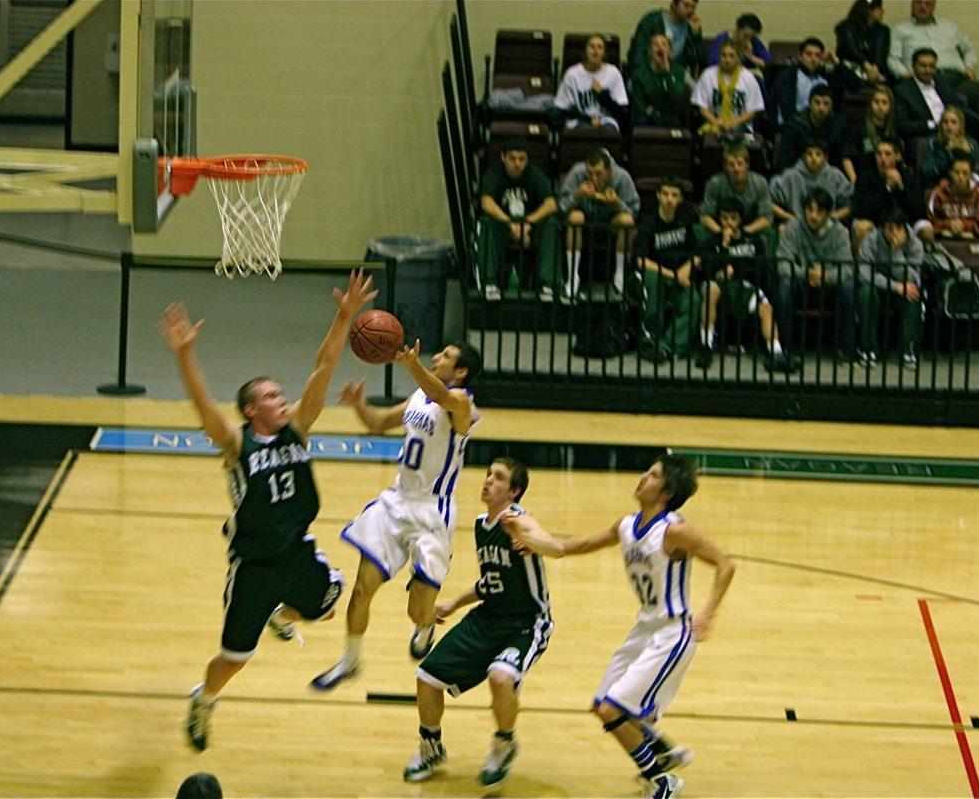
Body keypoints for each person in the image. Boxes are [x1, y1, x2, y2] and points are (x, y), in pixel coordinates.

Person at [158, 271, 377, 752]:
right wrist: (185, 354)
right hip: (254, 566)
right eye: (271, 397)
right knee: (234, 658)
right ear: (252, 410)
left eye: (281, 394)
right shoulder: (237, 444)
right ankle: (204, 699)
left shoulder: (297, 428)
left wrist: (344, 318)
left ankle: (283, 614)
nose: (283, 400)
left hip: (296, 553)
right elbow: (204, 410)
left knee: (325, 602)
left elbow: (322, 367)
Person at [504, 454, 736, 799]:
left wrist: (709, 614)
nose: (643, 476)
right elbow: (571, 546)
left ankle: (661, 780)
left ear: (667, 491)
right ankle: (661, 750)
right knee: (603, 705)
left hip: (671, 633)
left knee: (614, 709)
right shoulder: (626, 525)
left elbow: (725, 565)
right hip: (643, 630)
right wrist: (530, 539)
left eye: (653, 474)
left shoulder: (675, 529)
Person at [311, 339, 483, 691]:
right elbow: (377, 423)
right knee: (361, 590)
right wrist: (359, 405)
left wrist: (412, 365)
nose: (437, 356)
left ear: (461, 372)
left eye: (446, 356)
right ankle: (351, 660)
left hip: (433, 511)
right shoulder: (418, 397)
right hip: (396, 502)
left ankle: (425, 626)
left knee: (417, 610)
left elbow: (442, 397)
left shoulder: (463, 403)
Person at [402, 458, 554, 790]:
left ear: (513, 492)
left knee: (500, 677)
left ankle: (504, 744)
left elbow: (545, 540)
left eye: (498, 478)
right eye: (488, 475)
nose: (487, 481)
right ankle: (431, 748)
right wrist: (454, 604)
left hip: (526, 623)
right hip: (487, 617)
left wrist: (535, 542)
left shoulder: (520, 522)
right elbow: (490, 582)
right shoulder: (480, 525)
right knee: (427, 678)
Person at [697, 198, 799, 373]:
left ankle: (776, 353)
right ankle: (706, 346)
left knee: (766, 308)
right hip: (718, 286)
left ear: (740, 219)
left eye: (733, 218)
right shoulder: (711, 242)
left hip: (746, 286)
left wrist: (735, 268)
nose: (729, 222)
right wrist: (724, 245)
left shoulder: (753, 242)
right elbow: (706, 269)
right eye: (724, 218)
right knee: (711, 290)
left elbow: (761, 270)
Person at [774, 188, 859, 362]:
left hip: (829, 287)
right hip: (801, 284)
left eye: (819, 211)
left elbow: (848, 267)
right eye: (809, 210)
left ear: (828, 214)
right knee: (784, 286)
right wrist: (806, 274)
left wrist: (828, 276)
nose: (813, 216)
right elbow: (782, 263)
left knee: (848, 287)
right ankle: (783, 348)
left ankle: (845, 349)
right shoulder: (793, 228)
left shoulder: (838, 232)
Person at [476, 138, 559, 301]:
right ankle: (490, 283)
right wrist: (510, 223)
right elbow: (486, 202)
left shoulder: (534, 174)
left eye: (522, 159)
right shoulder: (494, 173)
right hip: (503, 226)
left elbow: (551, 204)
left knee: (551, 223)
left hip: (529, 227)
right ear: (503, 158)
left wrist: (527, 223)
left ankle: (547, 284)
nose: (517, 163)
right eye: (512, 158)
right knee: (487, 221)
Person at [557, 149, 640, 301]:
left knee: (626, 221)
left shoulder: (621, 177)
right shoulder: (577, 173)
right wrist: (577, 196)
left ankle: (620, 276)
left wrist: (617, 203)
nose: (593, 178)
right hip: (583, 225)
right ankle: (572, 277)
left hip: (610, 226)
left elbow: (635, 213)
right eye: (589, 173)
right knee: (575, 217)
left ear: (609, 172)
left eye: (598, 173)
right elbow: (561, 208)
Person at [889, 0, 979, 121]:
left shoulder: (951, 27)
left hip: (957, 78)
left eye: (928, 4)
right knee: (953, 99)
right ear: (912, 4)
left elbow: (969, 50)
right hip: (927, 79)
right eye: (919, 3)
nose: (923, 7)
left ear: (934, 7)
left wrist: (968, 66)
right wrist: (906, 73)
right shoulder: (900, 30)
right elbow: (893, 59)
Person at [634, 178, 700, 364]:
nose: (669, 199)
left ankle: (666, 347)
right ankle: (651, 338)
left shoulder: (686, 221)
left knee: (694, 299)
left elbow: (697, 255)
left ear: (680, 199)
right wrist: (674, 275)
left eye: (674, 195)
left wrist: (685, 271)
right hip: (652, 276)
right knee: (653, 280)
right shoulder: (648, 222)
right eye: (665, 194)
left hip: (678, 279)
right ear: (658, 196)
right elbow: (641, 261)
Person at [857, 208, 926, 368]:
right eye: (889, 228)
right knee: (865, 292)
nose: (894, 233)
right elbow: (864, 273)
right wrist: (895, 286)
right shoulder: (871, 240)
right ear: (883, 228)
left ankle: (907, 351)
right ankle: (868, 349)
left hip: (902, 289)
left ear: (905, 228)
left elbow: (912, 278)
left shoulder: (915, 244)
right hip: (880, 287)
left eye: (898, 228)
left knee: (913, 294)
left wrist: (896, 253)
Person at [893, 48, 979, 146]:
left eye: (931, 66)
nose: (927, 70)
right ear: (913, 66)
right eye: (923, 66)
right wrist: (934, 124)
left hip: (954, 128)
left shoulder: (941, 82)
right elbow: (903, 125)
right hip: (930, 133)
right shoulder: (902, 91)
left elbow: (959, 106)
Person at [853, 138, 932, 247]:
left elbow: (919, 211)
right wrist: (887, 188)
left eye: (888, 154)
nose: (882, 158)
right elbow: (863, 211)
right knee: (861, 227)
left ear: (897, 156)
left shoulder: (908, 176)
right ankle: (859, 264)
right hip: (876, 223)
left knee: (927, 230)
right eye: (879, 154)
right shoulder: (865, 177)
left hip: (904, 224)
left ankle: (921, 262)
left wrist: (901, 188)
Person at [771, 139, 854, 230]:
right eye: (809, 154)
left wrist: (832, 217)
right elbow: (770, 202)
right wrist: (790, 218)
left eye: (818, 154)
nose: (814, 158)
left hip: (828, 225)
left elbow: (851, 204)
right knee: (783, 229)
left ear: (825, 157)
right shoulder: (790, 175)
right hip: (797, 225)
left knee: (844, 231)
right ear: (803, 157)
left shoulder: (835, 175)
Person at [771, 38, 853, 128]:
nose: (813, 59)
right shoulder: (787, 76)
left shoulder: (825, 75)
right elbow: (787, 111)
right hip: (794, 126)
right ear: (800, 56)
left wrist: (837, 63)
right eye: (808, 54)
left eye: (817, 55)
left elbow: (855, 84)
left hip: (822, 126)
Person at [556, 34, 630, 131]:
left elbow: (621, 110)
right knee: (585, 130)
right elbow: (563, 108)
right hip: (579, 121)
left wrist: (603, 95)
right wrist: (589, 120)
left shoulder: (613, 73)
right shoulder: (572, 74)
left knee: (608, 131)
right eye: (592, 46)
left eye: (600, 47)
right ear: (585, 51)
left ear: (604, 53)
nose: (595, 50)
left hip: (606, 121)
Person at [699, 142, 774, 237]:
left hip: (750, 228)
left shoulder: (760, 182)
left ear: (747, 164)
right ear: (725, 167)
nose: (736, 169)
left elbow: (767, 217)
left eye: (740, 163)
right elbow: (704, 216)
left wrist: (744, 231)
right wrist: (721, 232)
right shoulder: (715, 183)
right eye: (731, 164)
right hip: (721, 228)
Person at [692, 40, 764, 136]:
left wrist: (734, 123)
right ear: (719, 57)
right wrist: (716, 121)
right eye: (724, 55)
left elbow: (753, 110)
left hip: (740, 127)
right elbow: (701, 106)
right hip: (713, 125)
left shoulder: (749, 78)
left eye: (731, 56)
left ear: (738, 58)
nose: (727, 60)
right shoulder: (708, 75)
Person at [772, 84, 849, 173]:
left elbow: (842, 157)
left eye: (826, 103)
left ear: (832, 106)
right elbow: (785, 159)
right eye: (817, 102)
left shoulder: (839, 125)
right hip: (798, 173)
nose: (821, 108)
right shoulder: (796, 124)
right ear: (809, 104)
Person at [627, 0, 705, 74]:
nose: (690, 11)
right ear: (674, 4)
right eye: (686, 5)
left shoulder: (691, 27)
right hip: (650, 73)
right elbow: (637, 54)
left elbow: (697, 59)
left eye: (693, 7)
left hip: (676, 75)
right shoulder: (652, 21)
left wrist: (696, 35)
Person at [842, 85, 901, 183]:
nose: (880, 106)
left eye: (884, 102)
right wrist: (854, 179)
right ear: (870, 104)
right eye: (876, 102)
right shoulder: (858, 128)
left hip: (890, 177)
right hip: (865, 179)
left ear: (891, 106)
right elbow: (847, 157)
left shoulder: (896, 129)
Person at [629, 33, 689, 128]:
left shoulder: (679, 72)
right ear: (650, 50)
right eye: (655, 44)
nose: (660, 47)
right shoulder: (639, 74)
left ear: (670, 50)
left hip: (672, 119)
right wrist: (650, 113)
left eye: (664, 44)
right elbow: (638, 105)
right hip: (647, 119)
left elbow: (676, 99)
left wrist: (667, 73)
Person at [927, 152, 979, 239]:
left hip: (971, 236)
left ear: (971, 174)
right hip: (944, 235)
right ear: (950, 173)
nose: (960, 177)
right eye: (957, 172)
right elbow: (931, 220)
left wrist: (964, 226)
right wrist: (949, 225)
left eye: (965, 173)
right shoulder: (938, 193)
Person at [919, 106, 979, 188]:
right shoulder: (931, 143)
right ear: (941, 125)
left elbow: (977, 171)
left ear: (960, 126)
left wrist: (968, 154)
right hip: (939, 185)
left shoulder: (972, 143)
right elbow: (927, 172)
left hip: (966, 185)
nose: (949, 126)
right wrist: (947, 153)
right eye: (945, 122)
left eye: (953, 122)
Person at [835, 0, 891, 84]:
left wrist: (875, 67)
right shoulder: (846, 27)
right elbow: (851, 49)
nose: (883, 12)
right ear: (869, 10)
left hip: (876, 70)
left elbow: (881, 51)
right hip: (851, 68)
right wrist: (866, 65)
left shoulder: (882, 30)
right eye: (879, 8)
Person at [707, 13, 771, 78]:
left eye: (751, 37)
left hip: (746, 77)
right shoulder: (722, 39)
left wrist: (751, 57)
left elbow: (768, 62)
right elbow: (712, 64)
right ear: (737, 30)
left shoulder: (754, 41)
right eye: (745, 36)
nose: (747, 40)